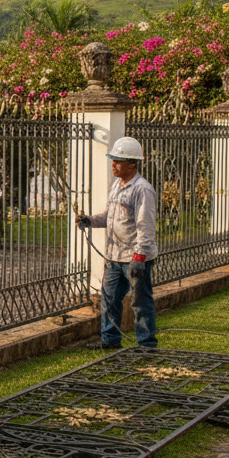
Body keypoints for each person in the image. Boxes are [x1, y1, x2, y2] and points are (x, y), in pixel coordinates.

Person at [76, 136, 159, 350]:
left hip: (134, 258)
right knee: (109, 301)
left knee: (140, 303)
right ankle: (109, 341)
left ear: (132, 164)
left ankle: (146, 344)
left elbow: (145, 226)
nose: (113, 165)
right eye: (113, 160)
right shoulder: (117, 185)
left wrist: (139, 258)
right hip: (113, 256)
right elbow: (109, 217)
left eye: (118, 161)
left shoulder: (142, 189)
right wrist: (90, 220)